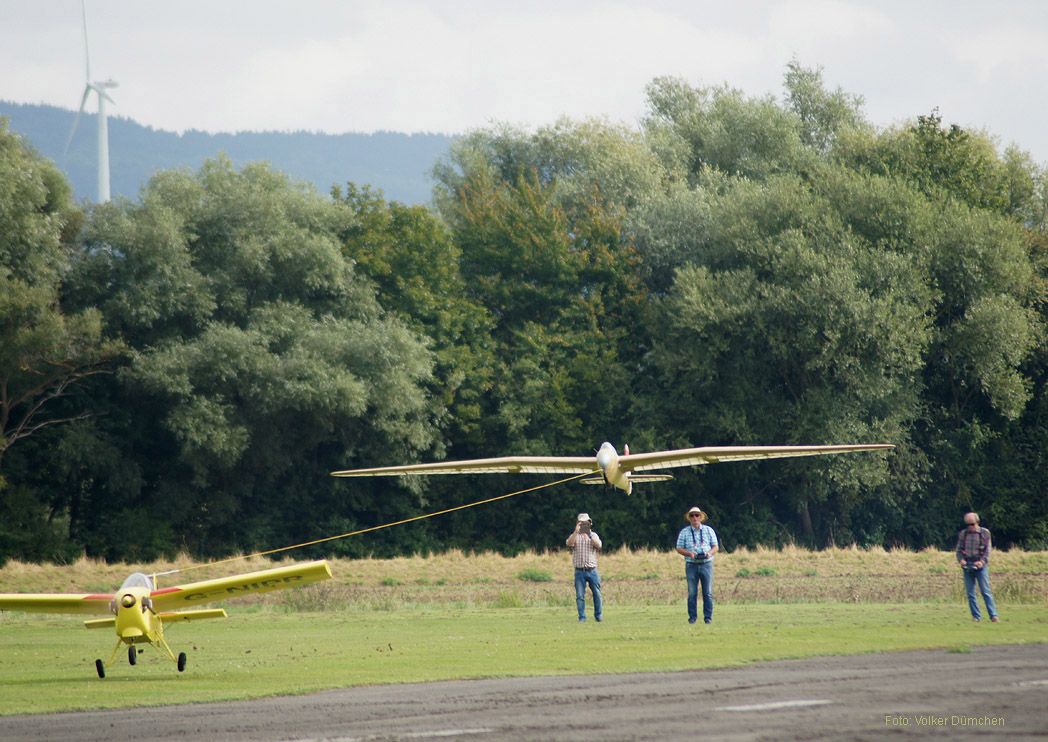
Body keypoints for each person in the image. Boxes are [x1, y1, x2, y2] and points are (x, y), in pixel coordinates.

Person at [675, 506, 719, 624]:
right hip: (691, 565)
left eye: (697, 515)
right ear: (689, 518)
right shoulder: (684, 532)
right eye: (692, 515)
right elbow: (678, 548)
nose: (694, 518)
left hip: (706, 564)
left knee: (708, 593)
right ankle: (692, 618)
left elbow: (716, 546)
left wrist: (709, 554)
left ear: (701, 517)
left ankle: (708, 617)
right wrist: (690, 554)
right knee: (692, 592)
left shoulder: (709, 530)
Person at [955, 512, 999, 623]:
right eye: (968, 525)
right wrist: (961, 560)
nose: (970, 527)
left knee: (985, 591)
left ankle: (993, 615)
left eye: (972, 524)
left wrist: (982, 562)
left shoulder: (985, 533)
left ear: (977, 522)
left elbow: (988, 551)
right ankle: (976, 616)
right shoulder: (963, 534)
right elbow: (959, 550)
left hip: (980, 566)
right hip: (968, 565)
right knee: (970, 593)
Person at [566, 512, 603, 622]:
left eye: (586, 523)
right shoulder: (575, 536)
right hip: (579, 571)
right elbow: (569, 544)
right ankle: (582, 617)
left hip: (592, 570)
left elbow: (599, 545)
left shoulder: (594, 535)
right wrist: (576, 531)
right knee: (580, 596)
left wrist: (589, 534)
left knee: (597, 594)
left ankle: (598, 616)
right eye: (582, 523)